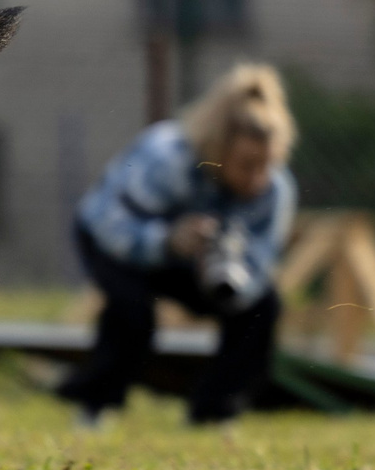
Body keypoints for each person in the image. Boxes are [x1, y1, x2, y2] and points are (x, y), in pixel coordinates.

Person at [58, 63, 298, 425]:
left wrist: (230, 275)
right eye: (247, 165)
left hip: (190, 264)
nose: (257, 179)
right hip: (111, 238)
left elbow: (261, 265)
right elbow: (114, 227)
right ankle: (94, 405)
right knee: (133, 310)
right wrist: (169, 240)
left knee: (263, 308)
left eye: (266, 164)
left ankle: (214, 413)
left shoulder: (275, 190)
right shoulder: (168, 157)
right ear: (219, 147)